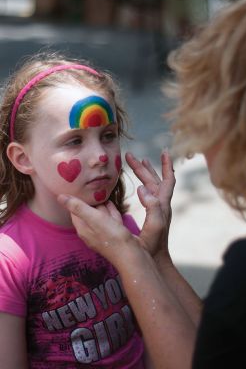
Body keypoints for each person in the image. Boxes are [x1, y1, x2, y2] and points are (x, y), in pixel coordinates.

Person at [58, 0, 246, 369]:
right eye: (73, 141)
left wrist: (130, 257)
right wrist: (156, 257)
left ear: (243, 126)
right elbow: (228, 344)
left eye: (207, 118)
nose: (199, 145)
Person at [0, 52, 157, 368]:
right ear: (23, 158)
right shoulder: (9, 259)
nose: (100, 155)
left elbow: (156, 334)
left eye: (108, 136)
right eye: (74, 141)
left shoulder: (122, 228)